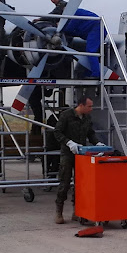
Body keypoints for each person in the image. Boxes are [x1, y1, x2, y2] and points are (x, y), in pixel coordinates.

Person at [52, 95, 105, 224]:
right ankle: (59, 211)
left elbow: (90, 133)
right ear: (81, 105)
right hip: (68, 153)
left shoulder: (87, 118)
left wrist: (97, 143)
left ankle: (78, 210)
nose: (91, 109)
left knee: (80, 184)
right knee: (64, 182)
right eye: (89, 106)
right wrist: (69, 143)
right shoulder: (66, 115)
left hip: (81, 154)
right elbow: (57, 132)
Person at [61, 8, 107, 78]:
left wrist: (60, 27)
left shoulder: (75, 14)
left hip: (96, 29)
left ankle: (96, 74)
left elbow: (70, 29)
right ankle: (89, 72)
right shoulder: (78, 13)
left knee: (90, 51)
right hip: (96, 29)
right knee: (89, 52)